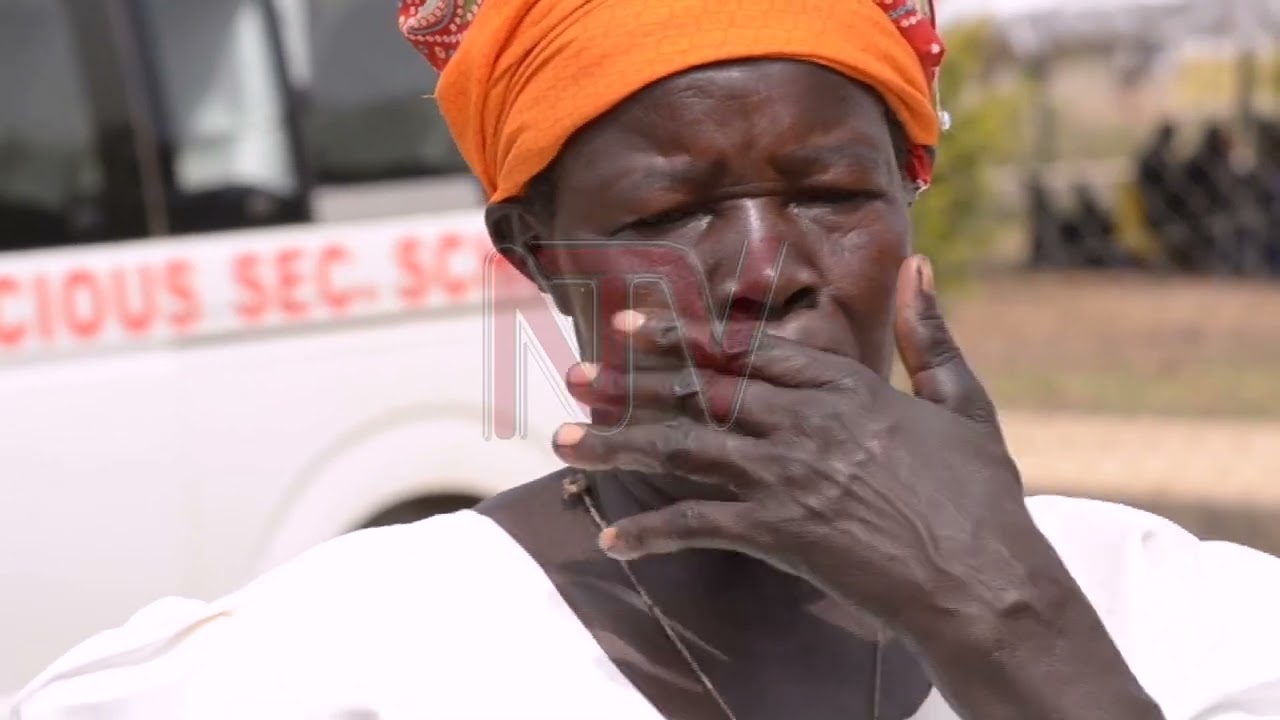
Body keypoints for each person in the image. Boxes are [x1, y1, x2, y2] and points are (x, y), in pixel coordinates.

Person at [11, 1, 1280, 718]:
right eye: (670, 216)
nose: (764, 270)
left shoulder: (1174, 622)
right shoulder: (333, 670)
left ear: (909, 201)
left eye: (833, 192)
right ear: (535, 249)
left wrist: (998, 612)